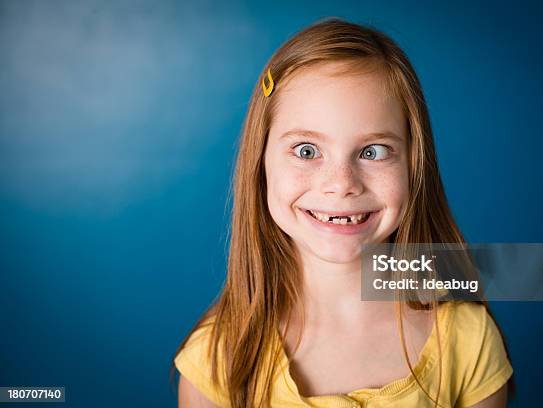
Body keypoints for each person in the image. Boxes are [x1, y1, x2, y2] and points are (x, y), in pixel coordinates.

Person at [171, 17, 514, 408]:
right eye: (306, 150)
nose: (341, 183)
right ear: (260, 163)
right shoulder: (218, 357)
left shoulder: (469, 344)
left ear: (414, 166)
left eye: (373, 151)